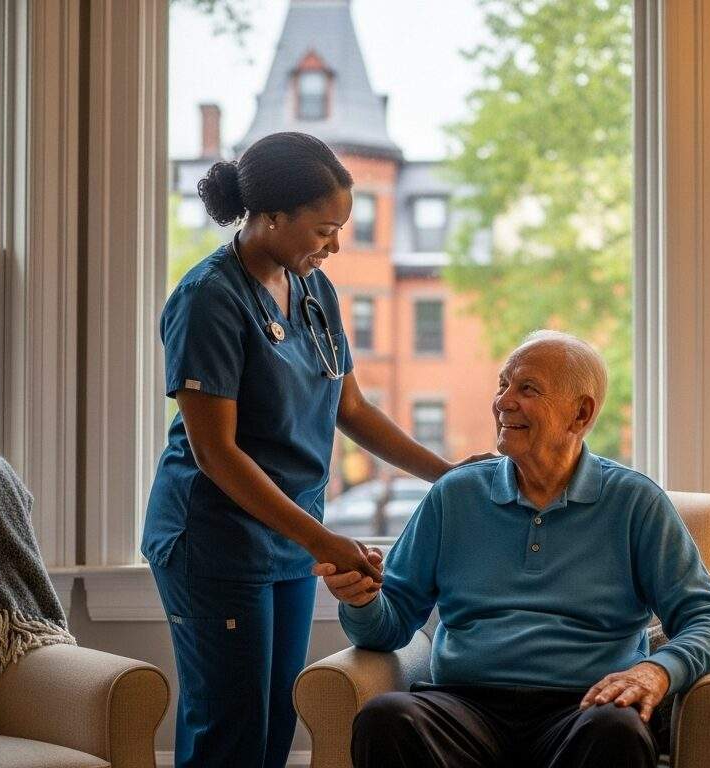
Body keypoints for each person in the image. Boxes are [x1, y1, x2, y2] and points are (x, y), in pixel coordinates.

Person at [140, 132, 490, 768]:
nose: (335, 245)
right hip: (213, 539)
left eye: (342, 228)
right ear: (271, 216)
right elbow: (216, 455)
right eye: (325, 229)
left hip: (290, 539)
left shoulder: (314, 290)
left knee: (275, 720)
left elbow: (350, 409)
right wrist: (322, 542)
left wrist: (446, 476)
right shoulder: (208, 300)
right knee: (230, 725)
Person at [316, 329, 710, 768]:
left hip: (583, 708)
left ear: (580, 414)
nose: (503, 401)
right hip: (464, 705)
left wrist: (657, 670)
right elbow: (387, 628)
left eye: (527, 389)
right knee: (386, 717)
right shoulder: (456, 495)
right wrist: (363, 599)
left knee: (616, 730)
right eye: (502, 385)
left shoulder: (634, 503)